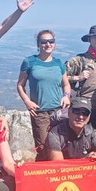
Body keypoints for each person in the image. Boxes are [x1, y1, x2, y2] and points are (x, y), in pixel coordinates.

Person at [16, 29, 71, 159]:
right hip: (40, 112)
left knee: (62, 144)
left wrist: (66, 96)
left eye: (51, 41)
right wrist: (27, 102)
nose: (48, 44)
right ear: (38, 44)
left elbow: (66, 84)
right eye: (44, 42)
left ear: (54, 44)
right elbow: (20, 85)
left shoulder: (58, 63)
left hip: (59, 110)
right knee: (43, 147)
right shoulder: (29, 62)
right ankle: (45, 175)